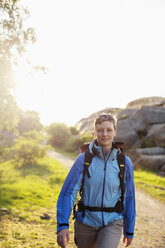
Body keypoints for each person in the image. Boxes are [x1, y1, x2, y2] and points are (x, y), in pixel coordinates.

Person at [56, 113, 136, 248]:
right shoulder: (83, 160)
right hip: (86, 222)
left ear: (115, 132)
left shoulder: (124, 162)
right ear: (94, 132)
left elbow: (129, 197)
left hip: (113, 222)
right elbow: (69, 192)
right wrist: (63, 224)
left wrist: (129, 229)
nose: (105, 134)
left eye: (109, 130)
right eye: (100, 130)